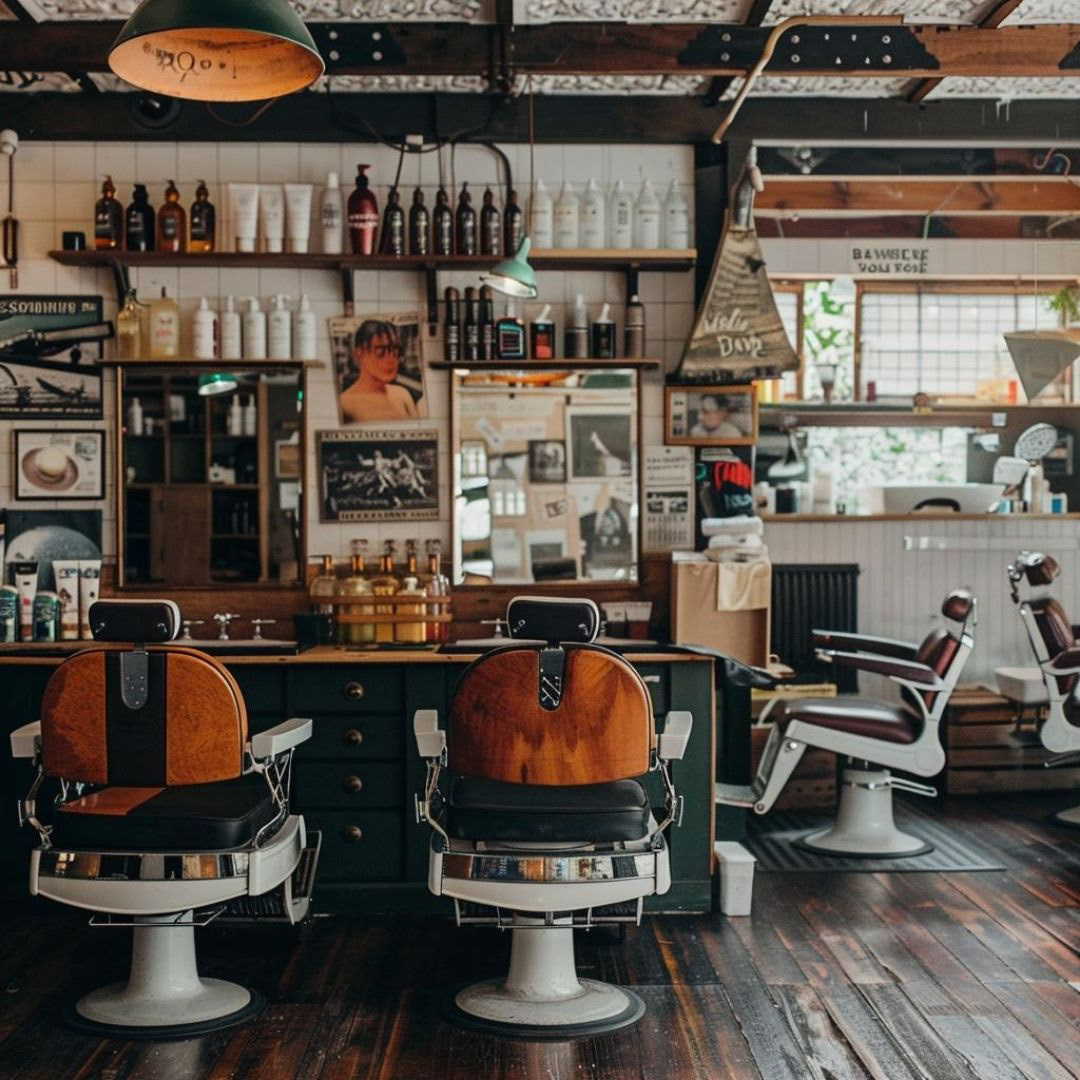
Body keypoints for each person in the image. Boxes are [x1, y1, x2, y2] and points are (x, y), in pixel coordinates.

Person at [339, 320, 419, 422]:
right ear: (360, 353)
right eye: (380, 350)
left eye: (395, 350)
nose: (391, 359)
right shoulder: (345, 404)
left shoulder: (402, 394)